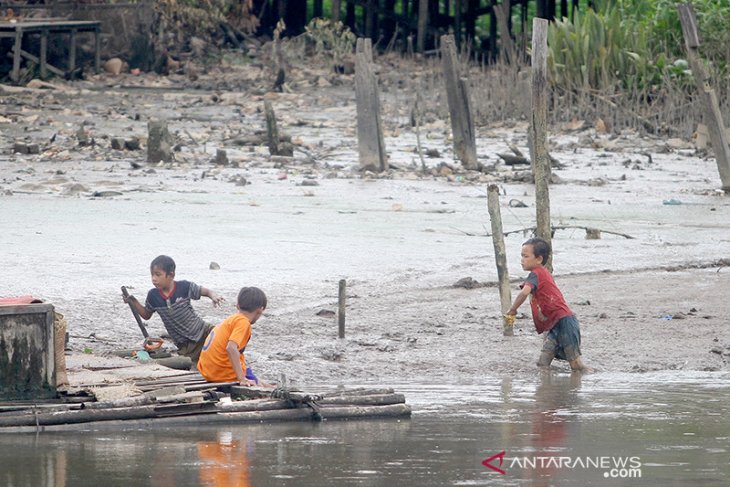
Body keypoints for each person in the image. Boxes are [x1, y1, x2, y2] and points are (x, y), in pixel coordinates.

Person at [506, 238, 590, 372]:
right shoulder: (543, 273)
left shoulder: (536, 274)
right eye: (521, 256)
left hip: (564, 322)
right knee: (543, 364)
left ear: (539, 259)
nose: (522, 260)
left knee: (576, 365)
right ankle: (547, 390)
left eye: (526, 256)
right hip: (554, 323)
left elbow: (524, 293)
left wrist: (513, 309)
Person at [123, 255, 224, 365]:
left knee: (224, 344)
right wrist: (133, 301)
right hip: (185, 346)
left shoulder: (184, 287)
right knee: (193, 366)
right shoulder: (153, 296)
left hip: (204, 332)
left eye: (158, 274)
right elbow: (146, 315)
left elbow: (207, 292)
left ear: (171, 275)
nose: (153, 278)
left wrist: (214, 296)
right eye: (152, 275)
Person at [197, 286, 268, 386]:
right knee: (262, 386)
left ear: (238, 306)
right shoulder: (243, 322)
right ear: (260, 310)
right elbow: (231, 348)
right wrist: (242, 379)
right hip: (222, 375)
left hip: (207, 372)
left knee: (254, 376)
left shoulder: (231, 320)